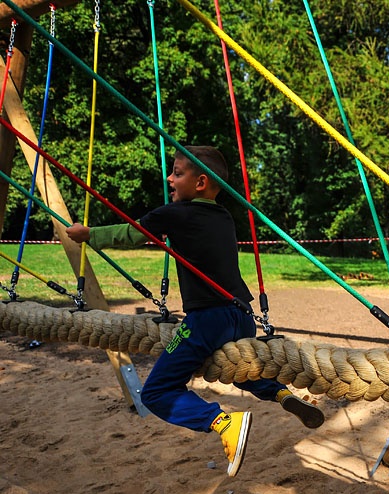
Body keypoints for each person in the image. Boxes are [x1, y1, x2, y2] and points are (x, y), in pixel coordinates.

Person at [66, 145, 324, 477]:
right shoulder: (224, 217)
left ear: (200, 182)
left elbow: (131, 233)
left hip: (207, 320)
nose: (169, 178)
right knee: (239, 369)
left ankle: (222, 421)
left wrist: (87, 235)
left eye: (177, 172)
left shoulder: (174, 215)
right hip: (242, 316)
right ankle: (281, 394)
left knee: (157, 392)